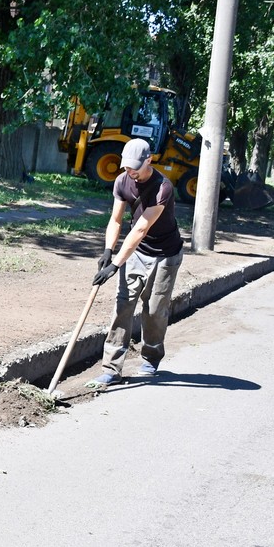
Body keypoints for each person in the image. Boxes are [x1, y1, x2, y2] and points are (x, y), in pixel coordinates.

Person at [85, 138, 184, 388]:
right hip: (136, 252)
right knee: (122, 306)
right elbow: (116, 220)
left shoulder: (163, 187)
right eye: (127, 168)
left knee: (153, 311)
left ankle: (151, 356)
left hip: (165, 255)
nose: (131, 173)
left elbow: (140, 229)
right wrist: (108, 251)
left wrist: (116, 265)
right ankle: (111, 368)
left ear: (149, 160)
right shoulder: (122, 181)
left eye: (135, 168)